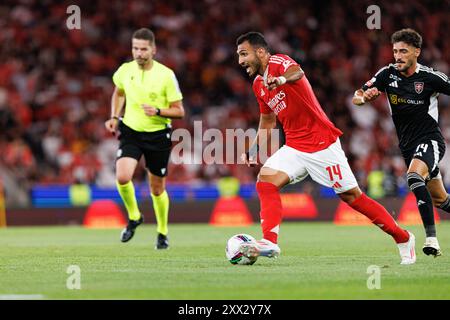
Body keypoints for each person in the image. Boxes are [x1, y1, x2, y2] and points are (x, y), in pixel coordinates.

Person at [236, 31, 416, 265]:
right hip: (294, 147)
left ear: (260, 52)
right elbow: (268, 120)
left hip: (322, 144)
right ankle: (269, 241)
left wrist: (280, 80)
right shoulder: (258, 85)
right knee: (265, 181)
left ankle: (403, 238)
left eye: (243, 54)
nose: (240, 61)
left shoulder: (279, 63)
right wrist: (254, 149)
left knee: (352, 197)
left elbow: (297, 72)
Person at [353, 28, 450, 257]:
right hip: (407, 146)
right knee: (440, 199)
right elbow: (358, 94)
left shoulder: (430, 77)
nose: (398, 56)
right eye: (395, 51)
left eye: (403, 51)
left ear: (417, 51)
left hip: (430, 140)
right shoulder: (387, 74)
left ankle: (431, 239)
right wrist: (363, 98)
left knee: (414, 176)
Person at [105, 28, 184, 249]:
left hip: (158, 135)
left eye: (143, 49)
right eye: (135, 48)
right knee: (122, 176)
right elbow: (119, 91)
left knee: (157, 188)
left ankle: (162, 232)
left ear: (153, 50)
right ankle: (134, 216)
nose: (139, 53)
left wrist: (158, 111)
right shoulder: (125, 70)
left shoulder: (166, 75)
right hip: (130, 131)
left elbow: (179, 111)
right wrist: (114, 116)